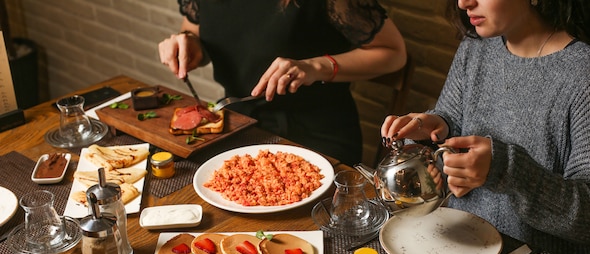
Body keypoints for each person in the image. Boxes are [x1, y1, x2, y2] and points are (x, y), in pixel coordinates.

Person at [381, 0, 590, 254]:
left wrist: (505, 168)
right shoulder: (476, 46)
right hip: (465, 250)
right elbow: (456, 117)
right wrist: (435, 124)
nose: (464, 3)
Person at [159, 0, 407, 166]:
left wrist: (315, 66)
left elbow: (394, 53)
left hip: (315, 131)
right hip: (239, 125)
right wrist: (187, 44)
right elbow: (195, 35)